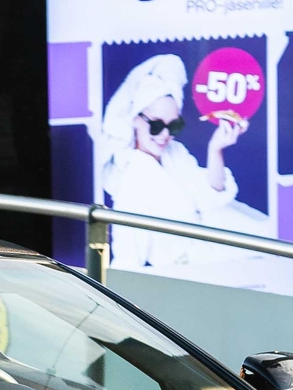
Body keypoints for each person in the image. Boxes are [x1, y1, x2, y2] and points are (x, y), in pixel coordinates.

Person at [97, 52, 261, 275]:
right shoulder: (132, 181)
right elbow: (127, 261)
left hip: (219, 248)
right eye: (156, 125)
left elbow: (209, 196)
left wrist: (215, 149)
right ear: (135, 118)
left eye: (174, 126)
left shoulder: (176, 153)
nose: (165, 135)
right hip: (191, 275)